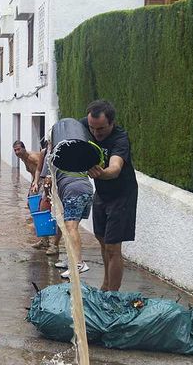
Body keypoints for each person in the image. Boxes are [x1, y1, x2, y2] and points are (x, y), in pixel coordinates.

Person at [81, 100, 138, 291]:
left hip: (122, 194)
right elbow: (66, 129)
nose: (96, 133)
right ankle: (105, 285)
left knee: (113, 247)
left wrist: (101, 173)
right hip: (102, 193)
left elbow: (115, 168)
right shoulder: (86, 125)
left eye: (101, 129)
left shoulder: (120, 138)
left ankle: (112, 296)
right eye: (92, 128)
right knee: (102, 239)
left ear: (112, 123)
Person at [40, 131, 93, 278]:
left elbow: (47, 181)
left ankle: (78, 263)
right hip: (87, 190)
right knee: (69, 226)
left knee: (71, 227)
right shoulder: (72, 151)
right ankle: (71, 259)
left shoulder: (52, 156)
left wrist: (46, 197)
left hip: (73, 191)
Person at [14, 141, 50, 250]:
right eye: (15, 150)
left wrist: (43, 184)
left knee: (42, 206)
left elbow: (44, 168)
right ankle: (38, 226)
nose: (17, 152)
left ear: (24, 149)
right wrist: (33, 184)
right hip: (37, 182)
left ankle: (45, 234)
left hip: (44, 181)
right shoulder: (24, 159)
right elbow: (33, 173)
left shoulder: (32, 157)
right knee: (30, 203)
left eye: (19, 149)